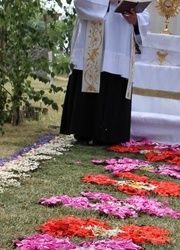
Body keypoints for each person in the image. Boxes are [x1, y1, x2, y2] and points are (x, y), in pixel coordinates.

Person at [60, 0, 150, 145]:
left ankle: (109, 134)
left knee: (113, 78)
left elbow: (143, 12)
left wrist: (136, 20)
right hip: (91, 36)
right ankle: (83, 131)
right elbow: (81, 3)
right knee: (90, 76)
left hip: (119, 39)